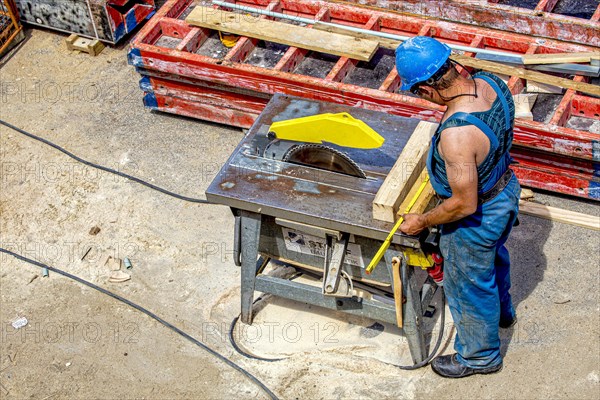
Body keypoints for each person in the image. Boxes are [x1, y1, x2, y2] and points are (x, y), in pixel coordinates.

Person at [395, 36, 521, 378]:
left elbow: (464, 204)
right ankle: (503, 312)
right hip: (505, 189)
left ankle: (479, 357)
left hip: (477, 217)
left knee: (467, 285)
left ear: (426, 89)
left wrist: (422, 220)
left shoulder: (457, 135)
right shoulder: (491, 83)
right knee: (494, 259)